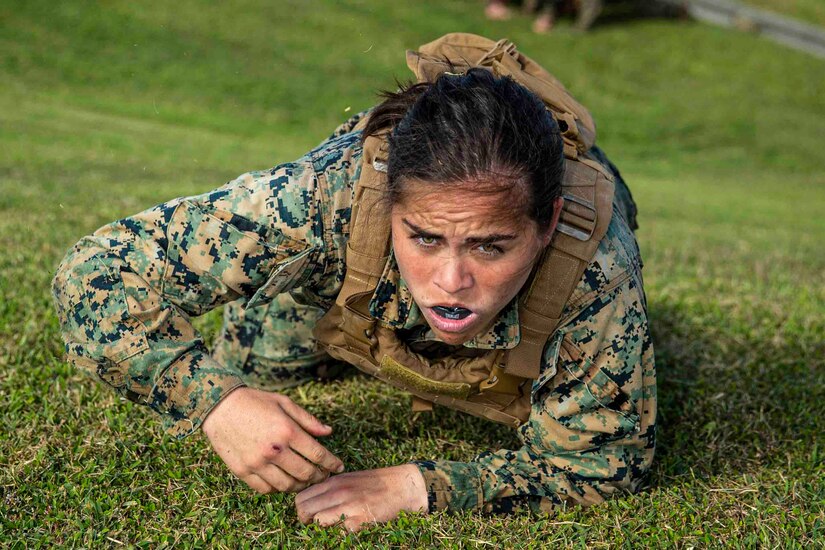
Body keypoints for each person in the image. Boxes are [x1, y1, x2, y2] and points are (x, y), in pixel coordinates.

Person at [51, 34, 656, 531]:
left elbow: (604, 464)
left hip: (540, 304)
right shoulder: (321, 198)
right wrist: (218, 401)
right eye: (424, 238)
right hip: (343, 286)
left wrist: (419, 487)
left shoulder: (595, 265)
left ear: (544, 224)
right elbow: (98, 271)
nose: (451, 279)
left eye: (490, 247)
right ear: (387, 205)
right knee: (259, 368)